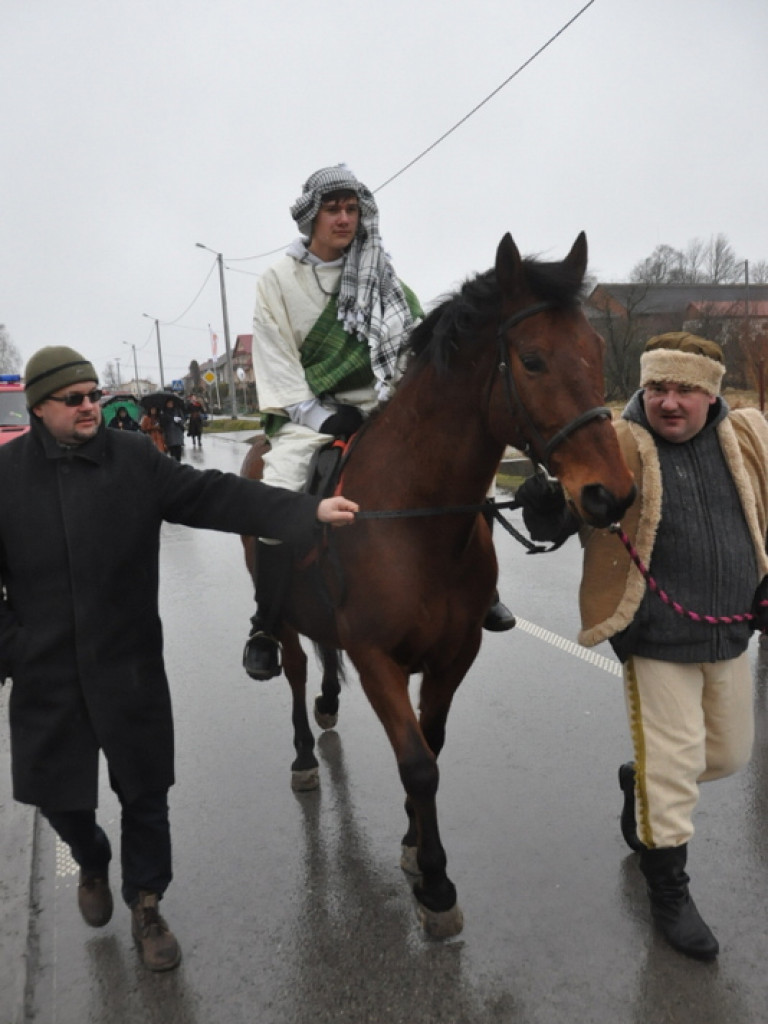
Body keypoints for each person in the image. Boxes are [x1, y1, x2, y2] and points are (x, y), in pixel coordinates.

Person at [0, 345, 358, 972]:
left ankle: (146, 904)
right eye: (74, 399)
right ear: (38, 408)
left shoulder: (133, 459)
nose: (91, 406)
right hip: (46, 672)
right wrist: (15, 649)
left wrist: (306, 510)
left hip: (127, 661)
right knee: (59, 797)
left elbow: (215, 497)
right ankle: (90, 857)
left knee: (145, 792)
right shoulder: (5, 477)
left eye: (94, 394)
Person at [517, 332, 768, 962]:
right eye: (658, 387)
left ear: (713, 393)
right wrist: (545, 510)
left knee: (730, 755)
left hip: (731, 628)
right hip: (655, 635)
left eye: (685, 388)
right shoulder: (620, 444)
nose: (669, 402)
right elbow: (566, 519)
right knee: (675, 770)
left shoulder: (746, 440)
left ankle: (643, 782)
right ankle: (671, 895)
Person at [244, 164, 513, 681]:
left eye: (352, 209)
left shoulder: (383, 275)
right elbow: (277, 363)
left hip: (385, 404)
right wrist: (323, 414)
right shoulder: (278, 281)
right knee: (276, 490)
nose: (344, 219)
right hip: (309, 413)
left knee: (458, 469)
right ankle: (265, 623)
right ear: (312, 216)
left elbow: (415, 350)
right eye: (333, 209)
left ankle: (485, 592)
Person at [160, 396, 185, 461]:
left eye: (171, 403)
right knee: (173, 454)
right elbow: (162, 424)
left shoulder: (178, 410)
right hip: (170, 435)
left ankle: (179, 466)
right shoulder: (164, 413)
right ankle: (175, 467)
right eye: (168, 403)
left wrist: (178, 421)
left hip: (178, 434)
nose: (170, 404)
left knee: (178, 453)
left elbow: (182, 420)